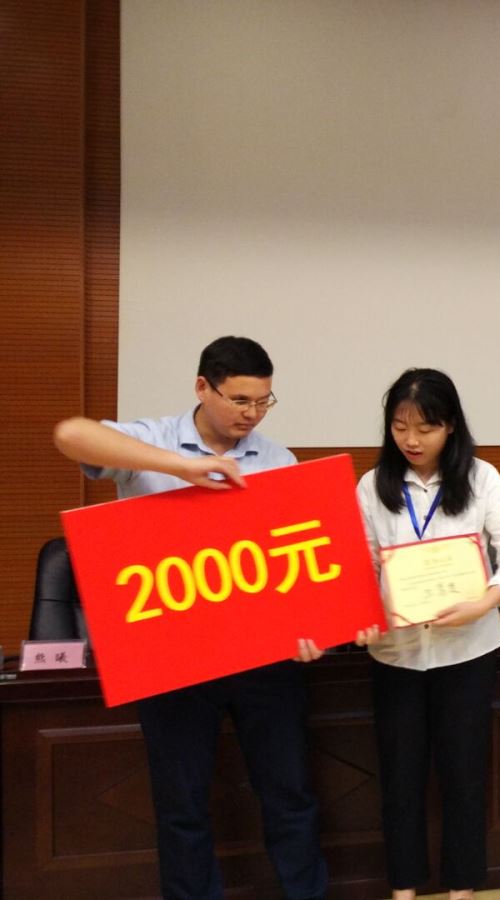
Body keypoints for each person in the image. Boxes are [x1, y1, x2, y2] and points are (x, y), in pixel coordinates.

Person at [52, 336, 335, 900]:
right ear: (203, 387)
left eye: (263, 401)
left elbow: (295, 564)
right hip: (173, 659)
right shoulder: (152, 440)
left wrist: (311, 629)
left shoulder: (277, 460)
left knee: (289, 796)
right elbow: (70, 434)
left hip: (262, 657)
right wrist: (182, 467)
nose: (251, 415)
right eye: (239, 400)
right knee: (181, 806)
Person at [356, 369, 500, 900]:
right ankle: (404, 889)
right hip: (396, 655)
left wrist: (487, 600)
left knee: (464, 776)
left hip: (468, 652)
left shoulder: (481, 478)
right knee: (400, 779)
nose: (411, 440)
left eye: (425, 428)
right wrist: (359, 614)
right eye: (400, 427)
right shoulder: (372, 485)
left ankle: (462, 888)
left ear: (451, 425)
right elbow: (359, 566)